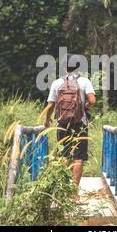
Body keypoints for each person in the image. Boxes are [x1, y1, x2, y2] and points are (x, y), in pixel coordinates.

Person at [44, 55, 97, 186]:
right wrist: (86, 107)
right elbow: (92, 100)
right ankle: (74, 191)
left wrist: (47, 120)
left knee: (64, 155)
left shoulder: (57, 83)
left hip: (62, 123)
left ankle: (64, 189)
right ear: (78, 66)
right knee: (78, 158)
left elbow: (50, 105)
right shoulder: (84, 81)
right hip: (80, 123)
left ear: (64, 67)